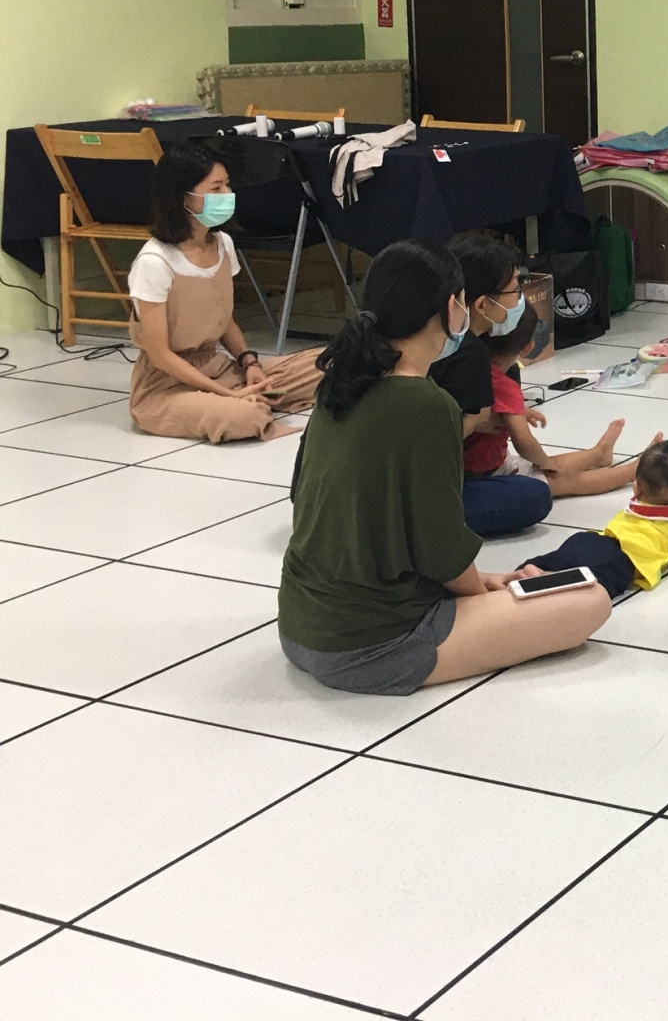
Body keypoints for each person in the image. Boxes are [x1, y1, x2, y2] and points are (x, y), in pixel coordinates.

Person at [278, 240, 608, 695]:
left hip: (298, 624)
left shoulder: (343, 379)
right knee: (591, 600)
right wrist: (482, 596)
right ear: (453, 308)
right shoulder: (425, 402)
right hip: (371, 644)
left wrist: (485, 580)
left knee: (520, 586)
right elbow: (440, 544)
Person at [128, 142, 319, 442]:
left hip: (219, 368)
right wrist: (226, 394)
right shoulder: (154, 262)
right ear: (182, 198)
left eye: (227, 185)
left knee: (329, 363)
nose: (227, 194)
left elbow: (224, 319)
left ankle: (248, 396)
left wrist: (249, 364)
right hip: (166, 386)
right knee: (242, 416)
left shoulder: (223, 244)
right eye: (215, 188)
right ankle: (244, 403)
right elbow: (160, 355)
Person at [430, 231, 553, 535]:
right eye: (515, 290)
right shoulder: (468, 354)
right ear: (483, 305)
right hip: (421, 488)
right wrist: (477, 421)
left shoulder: (438, 334)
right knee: (535, 495)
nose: (521, 298)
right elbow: (440, 445)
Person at [468, 306, 647, 499]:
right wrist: (544, 461)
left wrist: (521, 411)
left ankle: (598, 454)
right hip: (487, 474)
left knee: (549, 466)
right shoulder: (506, 386)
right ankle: (631, 471)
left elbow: (492, 407)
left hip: (473, 467)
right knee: (560, 477)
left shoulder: (468, 374)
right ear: (528, 347)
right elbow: (524, 442)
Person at [516, 439, 668, 598]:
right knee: (589, 586)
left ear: (637, 487)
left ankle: (527, 570)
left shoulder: (636, 502)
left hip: (590, 540)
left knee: (557, 558)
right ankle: (548, 579)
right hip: (619, 561)